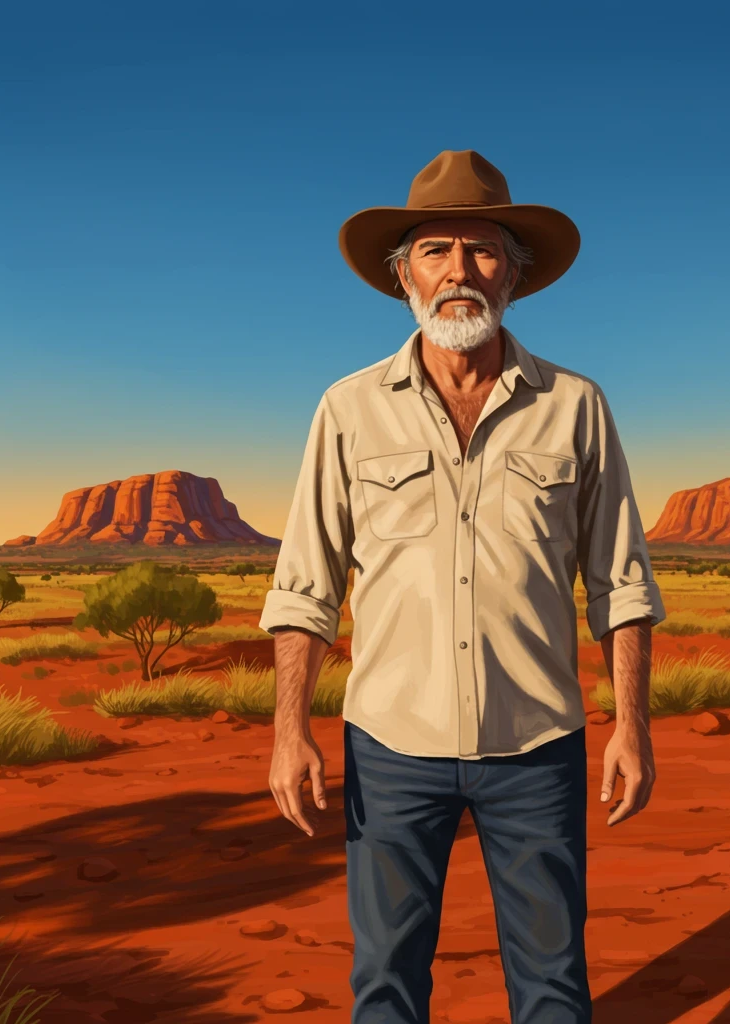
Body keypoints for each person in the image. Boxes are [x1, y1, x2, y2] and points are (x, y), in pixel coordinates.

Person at [259, 149, 667, 1024]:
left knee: (555, 983)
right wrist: (290, 729)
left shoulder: (576, 406)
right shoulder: (348, 409)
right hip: (390, 749)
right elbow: (306, 588)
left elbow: (620, 582)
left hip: (537, 747)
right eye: (435, 250)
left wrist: (631, 727)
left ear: (515, 274)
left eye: (482, 250)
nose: (459, 271)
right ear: (400, 272)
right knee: (386, 984)